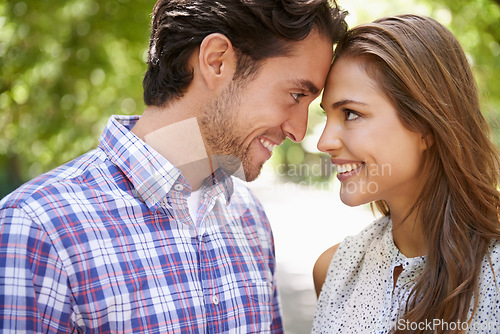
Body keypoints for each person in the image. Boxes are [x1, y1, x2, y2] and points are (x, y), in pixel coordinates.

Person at [0, 0, 348, 332]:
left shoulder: (249, 218)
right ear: (216, 61)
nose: (299, 131)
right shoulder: (36, 228)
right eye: (296, 95)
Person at [312, 14, 500, 333]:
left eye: (351, 113)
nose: (323, 141)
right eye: (327, 115)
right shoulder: (334, 270)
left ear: (426, 125)